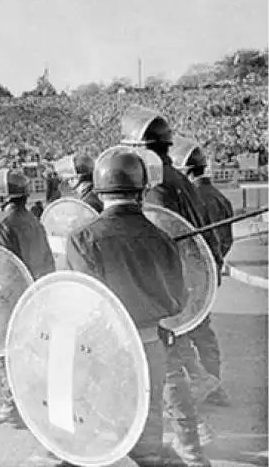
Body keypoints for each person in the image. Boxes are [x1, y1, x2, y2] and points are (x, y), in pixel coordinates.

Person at [65, 146, 192, 466]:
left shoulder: (81, 239)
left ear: (98, 189)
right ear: (141, 189)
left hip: (105, 351)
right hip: (151, 347)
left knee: (105, 437)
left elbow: (82, 306)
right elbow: (179, 299)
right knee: (148, 436)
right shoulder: (161, 238)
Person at [121, 106, 219, 464]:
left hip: (169, 284)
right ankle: (193, 433)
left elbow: (162, 235)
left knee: (169, 365)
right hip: (186, 282)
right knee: (172, 362)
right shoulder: (174, 176)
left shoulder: (158, 184)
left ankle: (190, 446)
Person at [0, 172, 55, 428]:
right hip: (35, 294)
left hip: (14, 298)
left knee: (4, 354)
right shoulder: (33, 221)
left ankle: (11, 406)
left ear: (4, 195)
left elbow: (3, 268)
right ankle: (29, 405)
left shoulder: (6, 224)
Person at [181, 145, 234, 407]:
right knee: (204, 334)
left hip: (192, 275)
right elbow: (226, 240)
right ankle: (214, 383)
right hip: (210, 273)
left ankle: (208, 385)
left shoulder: (191, 198)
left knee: (187, 334)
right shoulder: (219, 197)